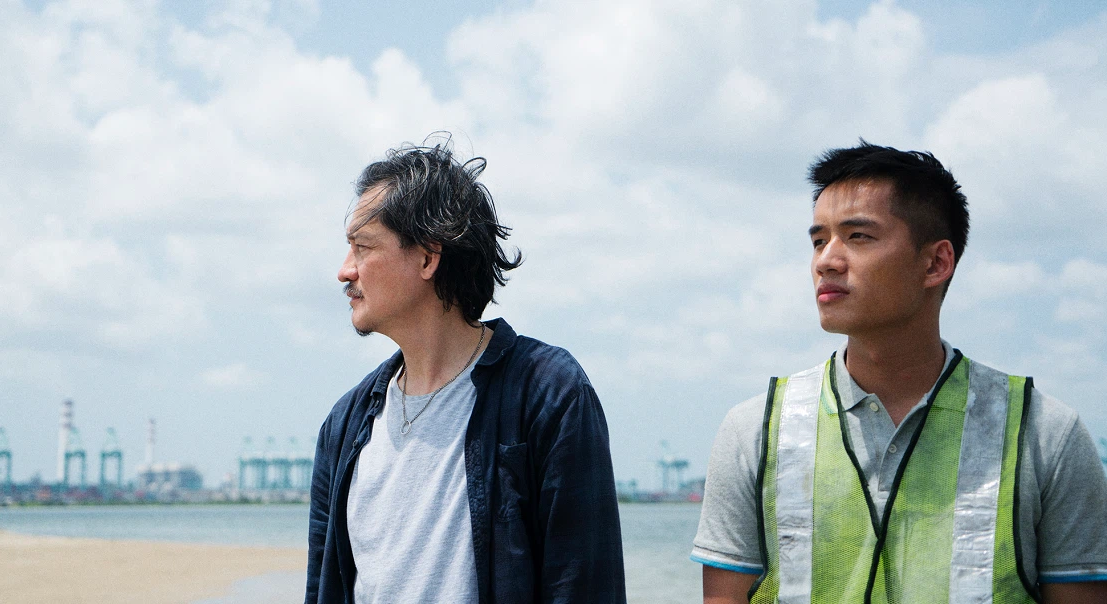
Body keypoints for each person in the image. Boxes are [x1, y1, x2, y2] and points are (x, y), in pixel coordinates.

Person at [692, 141, 1107, 603]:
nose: (826, 260)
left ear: (935, 262)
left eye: (858, 236)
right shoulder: (756, 430)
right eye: (818, 240)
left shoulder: (1043, 433)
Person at [305, 140, 626, 604]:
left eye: (362, 247)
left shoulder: (548, 395)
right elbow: (323, 589)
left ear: (427, 258)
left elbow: (584, 586)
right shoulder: (345, 424)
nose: (344, 271)